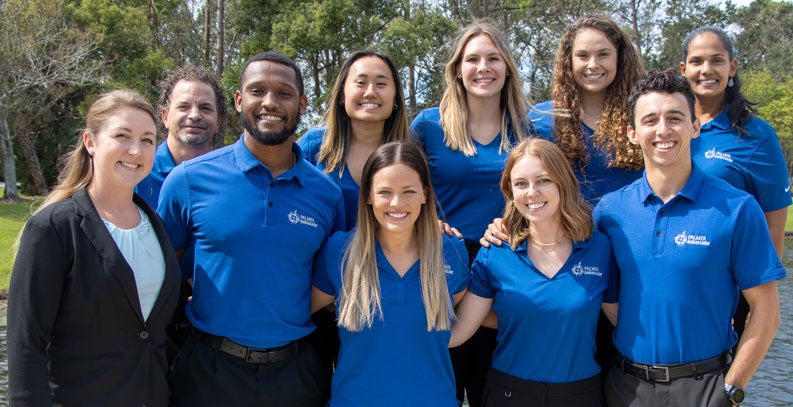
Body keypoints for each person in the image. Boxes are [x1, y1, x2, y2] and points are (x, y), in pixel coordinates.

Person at [159, 51, 345, 406]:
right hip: (208, 371)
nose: (270, 102)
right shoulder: (187, 180)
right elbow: (161, 276)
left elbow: (327, 285)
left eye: (284, 93)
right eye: (257, 91)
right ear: (239, 100)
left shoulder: (327, 195)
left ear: (303, 103)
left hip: (296, 375)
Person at [594, 69, 784, 407]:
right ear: (633, 133)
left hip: (706, 390)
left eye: (675, 118)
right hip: (626, 389)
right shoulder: (610, 212)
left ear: (695, 127)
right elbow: (605, 294)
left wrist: (732, 389)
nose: (663, 130)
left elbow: (766, 309)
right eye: (650, 120)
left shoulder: (737, 210)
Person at [7, 89, 181, 406]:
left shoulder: (155, 226)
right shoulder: (53, 228)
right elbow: (26, 342)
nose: (135, 150)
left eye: (147, 140)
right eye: (122, 135)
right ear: (91, 142)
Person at [410, 20, 530, 407]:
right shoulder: (427, 125)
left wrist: (514, 222)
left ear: (507, 67)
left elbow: (545, 195)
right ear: (457, 69)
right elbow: (402, 188)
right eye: (473, 59)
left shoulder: (530, 129)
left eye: (494, 58)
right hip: (441, 266)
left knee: (492, 390)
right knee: (437, 389)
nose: (484, 68)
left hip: (504, 266)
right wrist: (426, 222)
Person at [451, 138, 616, 407]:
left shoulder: (598, 247)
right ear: (510, 191)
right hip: (510, 394)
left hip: (580, 395)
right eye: (521, 184)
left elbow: (625, 324)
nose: (532, 192)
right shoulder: (496, 252)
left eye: (543, 180)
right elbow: (457, 332)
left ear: (562, 182)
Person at [311, 141, 469, 406]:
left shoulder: (451, 251)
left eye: (409, 191)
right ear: (369, 196)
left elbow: (463, 311)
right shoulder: (340, 251)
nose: (397, 203)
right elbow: (299, 312)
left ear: (425, 194)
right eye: (385, 192)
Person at [680, 26, 791, 344]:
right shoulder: (669, 125)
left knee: (719, 385)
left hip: (726, 290)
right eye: (697, 61)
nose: (706, 70)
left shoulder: (756, 135)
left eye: (717, 60)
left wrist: (748, 300)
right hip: (674, 279)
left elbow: (772, 231)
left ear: (732, 67)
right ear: (683, 69)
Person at [531, 15, 645, 203]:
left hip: (633, 230)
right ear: (569, 61)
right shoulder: (541, 119)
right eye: (583, 55)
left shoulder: (643, 117)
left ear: (619, 58)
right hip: (568, 232)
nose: (593, 65)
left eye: (603, 54)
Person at [299, 50, 410, 231]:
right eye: (361, 83)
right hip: (323, 257)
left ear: (396, 97)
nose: (370, 92)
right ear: (342, 94)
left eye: (381, 84)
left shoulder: (411, 154)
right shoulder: (313, 146)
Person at [136, 65, 227, 208]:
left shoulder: (230, 178)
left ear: (219, 121)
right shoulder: (139, 172)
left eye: (205, 108)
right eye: (183, 106)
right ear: (165, 116)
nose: (195, 115)